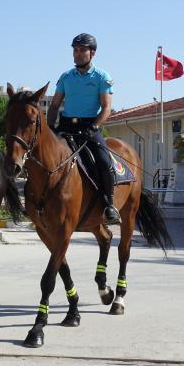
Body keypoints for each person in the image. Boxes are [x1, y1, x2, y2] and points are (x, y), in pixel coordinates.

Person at [46, 33, 121, 225]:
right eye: (75, 50)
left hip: (90, 127)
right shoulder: (65, 77)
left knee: (104, 162)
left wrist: (94, 126)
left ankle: (109, 205)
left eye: (82, 50)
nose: (77, 54)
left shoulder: (102, 77)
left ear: (92, 53)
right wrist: (50, 128)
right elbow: (54, 106)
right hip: (66, 126)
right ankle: (36, 201)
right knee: (42, 157)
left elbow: (106, 109)